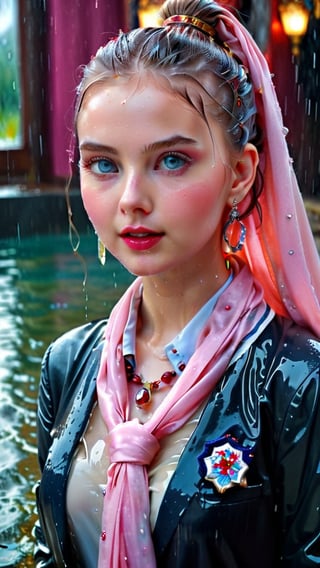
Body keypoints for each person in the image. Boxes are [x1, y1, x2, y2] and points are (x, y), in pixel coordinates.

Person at [34, 0, 320, 566]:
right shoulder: (67, 365)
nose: (131, 199)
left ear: (240, 174)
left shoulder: (296, 382)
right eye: (104, 165)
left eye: (170, 161)